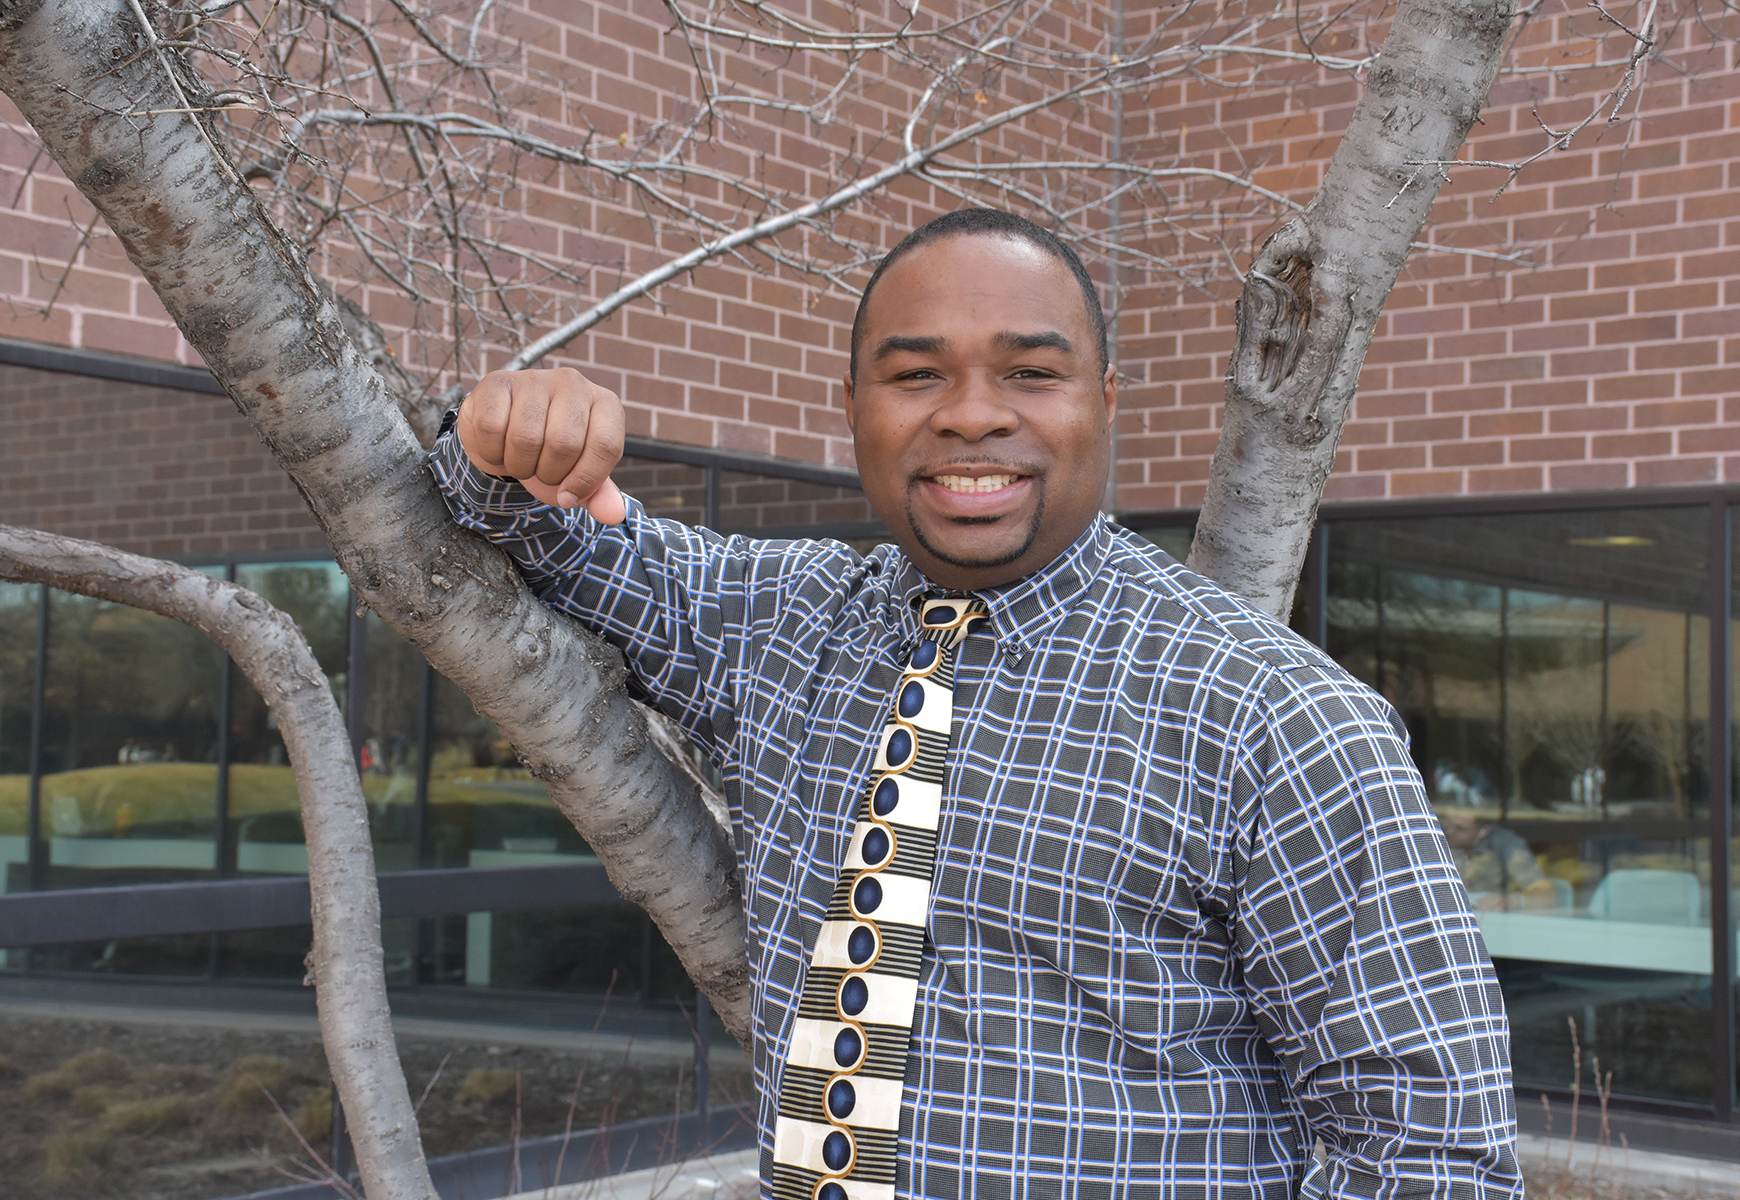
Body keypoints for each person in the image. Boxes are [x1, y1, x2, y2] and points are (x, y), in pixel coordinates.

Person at [430, 209, 1522, 1198]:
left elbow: (1435, 1157)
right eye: (916, 377)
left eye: (1031, 373)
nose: (970, 417)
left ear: (1103, 401)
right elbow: (532, 529)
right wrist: (510, 432)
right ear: (853, 407)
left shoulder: (1273, 718)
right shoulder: (777, 624)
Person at [1437, 808, 1558, 911]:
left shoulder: (1506, 846)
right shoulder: (1436, 840)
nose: (1449, 832)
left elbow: (1547, 896)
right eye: (1446, 825)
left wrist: (1509, 901)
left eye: (1460, 828)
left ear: (1484, 831)